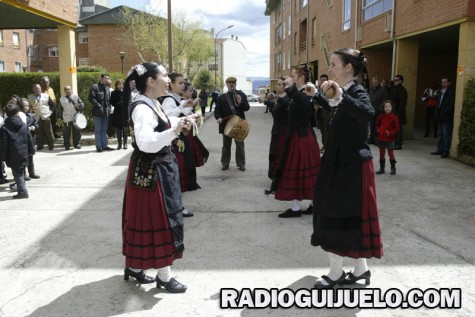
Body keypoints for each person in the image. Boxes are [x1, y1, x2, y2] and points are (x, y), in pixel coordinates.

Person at [309, 48, 383, 288]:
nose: (329, 69)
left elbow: (366, 113)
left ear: (348, 68)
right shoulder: (344, 92)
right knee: (342, 218)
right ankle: (361, 270)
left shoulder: (357, 91)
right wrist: (318, 97)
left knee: (337, 218)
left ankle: (335, 273)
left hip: (351, 166)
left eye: (333, 64)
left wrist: (339, 96)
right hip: (339, 163)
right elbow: (339, 111)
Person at [122, 62, 196, 293]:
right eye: (164, 75)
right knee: (161, 221)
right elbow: (145, 142)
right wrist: (174, 131)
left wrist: (179, 121)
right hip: (152, 173)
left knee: (145, 219)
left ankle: (134, 267)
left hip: (155, 169)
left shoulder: (152, 102)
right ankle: (164, 276)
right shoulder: (142, 107)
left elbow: (162, 124)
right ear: (151, 81)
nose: (168, 79)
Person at [267, 68, 320, 218]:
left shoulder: (306, 91)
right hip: (299, 136)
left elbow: (304, 106)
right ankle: (302, 207)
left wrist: (289, 89)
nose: (289, 78)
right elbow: (292, 106)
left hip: (302, 137)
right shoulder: (299, 92)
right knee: (300, 172)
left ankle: (302, 208)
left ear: (301, 77)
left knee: (302, 172)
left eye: (293, 76)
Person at [159, 73, 200, 217]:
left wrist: (187, 111)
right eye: (180, 83)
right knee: (174, 177)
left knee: (175, 176)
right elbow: (169, 118)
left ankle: (176, 206)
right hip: (175, 142)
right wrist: (183, 109)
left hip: (177, 140)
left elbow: (178, 114)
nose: (184, 85)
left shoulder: (175, 98)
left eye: (184, 83)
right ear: (171, 84)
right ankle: (176, 208)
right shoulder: (169, 99)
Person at [214, 76, 250, 171]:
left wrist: (240, 102)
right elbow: (217, 110)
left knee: (240, 145)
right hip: (226, 125)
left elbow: (247, 107)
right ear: (226, 84)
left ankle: (241, 164)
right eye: (229, 83)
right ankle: (225, 164)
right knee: (226, 146)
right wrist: (218, 117)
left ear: (235, 84)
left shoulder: (241, 94)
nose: (231, 84)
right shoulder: (221, 97)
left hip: (239, 125)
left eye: (233, 83)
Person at [0, 103, 35, 199]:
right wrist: (31, 151)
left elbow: (4, 144)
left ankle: (22, 192)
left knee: (17, 173)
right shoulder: (24, 125)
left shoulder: (4, 128)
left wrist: (2, 157)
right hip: (24, 153)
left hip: (13, 155)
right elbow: (29, 139)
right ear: (18, 113)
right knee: (21, 171)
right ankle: (22, 188)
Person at [267, 78, 288, 180]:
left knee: (279, 153)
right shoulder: (279, 97)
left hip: (282, 131)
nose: (277, 86)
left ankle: (280, 176)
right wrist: (266, 102)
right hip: (276, 129)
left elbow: (284, 105)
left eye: (279, 84)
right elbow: (275, 106)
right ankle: (274, 175)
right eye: (277, 84)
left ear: (285, 87)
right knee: (273, 152)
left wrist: (276, 98)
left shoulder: (286, 98)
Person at [431, 77, 455, 159]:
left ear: (449, 83)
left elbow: (451, 105)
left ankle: (445, 152)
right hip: (439, 117)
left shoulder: (451, 93)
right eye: (442, 82)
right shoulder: (440, 92)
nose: (443, 83)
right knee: (440, 135)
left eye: (445, 82)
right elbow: (438, 104)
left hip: (446, 117)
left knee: (446, 135)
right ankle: (439, 149)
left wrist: (445, 113)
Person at [89, 73, 113, 152]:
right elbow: (91, 98)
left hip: (106, 113)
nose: (107, 80)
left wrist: (109, 108)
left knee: (104, 130)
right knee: (98, 130)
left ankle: (104, 145)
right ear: (101, 78)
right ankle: (99, 146)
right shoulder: (95, 87)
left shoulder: (107, 88)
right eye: (105, 78)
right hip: (97, 113)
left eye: (108, 78)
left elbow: (108, 101)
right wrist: (99, 106)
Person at [375, 100, 400, 175]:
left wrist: (390, 133)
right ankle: (382, 168)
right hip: (381, 138)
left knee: (391, 153)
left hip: (390, 139)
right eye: (385, 106)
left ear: (392, 108)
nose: (387, 108)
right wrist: (378, 130)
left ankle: (393, 168)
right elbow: (377, 125)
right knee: (381, 154)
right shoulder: (381, 117)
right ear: (383, 108)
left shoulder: (394, 118)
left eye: (389, 106)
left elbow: (397, 128)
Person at [27, 83, 55, 151]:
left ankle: (51, 146)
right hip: (36, 117)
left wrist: (50, 112)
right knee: (38, 133)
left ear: (40, 88)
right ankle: (40, 146)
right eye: (36, 89)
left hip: (46, 116)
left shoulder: (46, 96)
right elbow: (28, 107)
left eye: (39, 88)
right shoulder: (30, 97)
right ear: (33, 90)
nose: (38, 90)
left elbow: (52, 106)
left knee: (49, 132)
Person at [59, 86, 84, 150]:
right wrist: (61, 118)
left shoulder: (76, 97)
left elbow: (82, 104)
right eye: (66, 89)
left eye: (69, 89)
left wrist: (79, 105)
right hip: (66, 117)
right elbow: (60, 109)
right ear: (64, 91)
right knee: (66, 133)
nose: (68, 90)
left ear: (71, 90)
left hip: (75, 117)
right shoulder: (62, 99)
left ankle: (77, 144)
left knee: (77, 132)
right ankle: (67, 145)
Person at [20, 98, 40, 179]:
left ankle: (32, 173)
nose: (26, 107)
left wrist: (34, 127)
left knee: (30, 156)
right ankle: (24, 174)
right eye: (24, 105)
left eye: (27, 105)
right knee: (23, 157)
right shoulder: (19, 115)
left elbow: (37, 125)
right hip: (22, 139)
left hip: (31, 138)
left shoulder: (31, 115)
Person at [369, 76, 389, 144]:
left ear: (378, 82)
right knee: (371, 126)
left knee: (377, 126)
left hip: (379, 112)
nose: (374, 83)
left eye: (376, 82)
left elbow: (384, 101)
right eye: (373, 81)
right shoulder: (371, 90)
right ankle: (371, 139)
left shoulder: (383, 90)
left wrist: (381, 110)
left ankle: (377, 140)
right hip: (371, 111)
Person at [390, 74, 407, 150]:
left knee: (398, 129)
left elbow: (402, 103)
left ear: (401, 81)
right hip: (394, 111)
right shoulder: (395, 88)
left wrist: (398, 112)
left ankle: (398, 144)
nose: (395, 81)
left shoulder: (402, 90)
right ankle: (395, 143)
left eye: (396, 80)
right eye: (395, 80)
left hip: (398, 112)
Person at [110, 79, 129, 150]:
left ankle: (125, 144)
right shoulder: (113, 93)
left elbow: (128, 101)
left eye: (122, 84)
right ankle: (119, 144)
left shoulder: (125, 92)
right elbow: (112, 102)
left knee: (125, 128)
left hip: (124, 112)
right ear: (116, 85)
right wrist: (119, 104)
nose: (120, 86)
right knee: (118, 129)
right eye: (119, 84)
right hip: (117, 112)